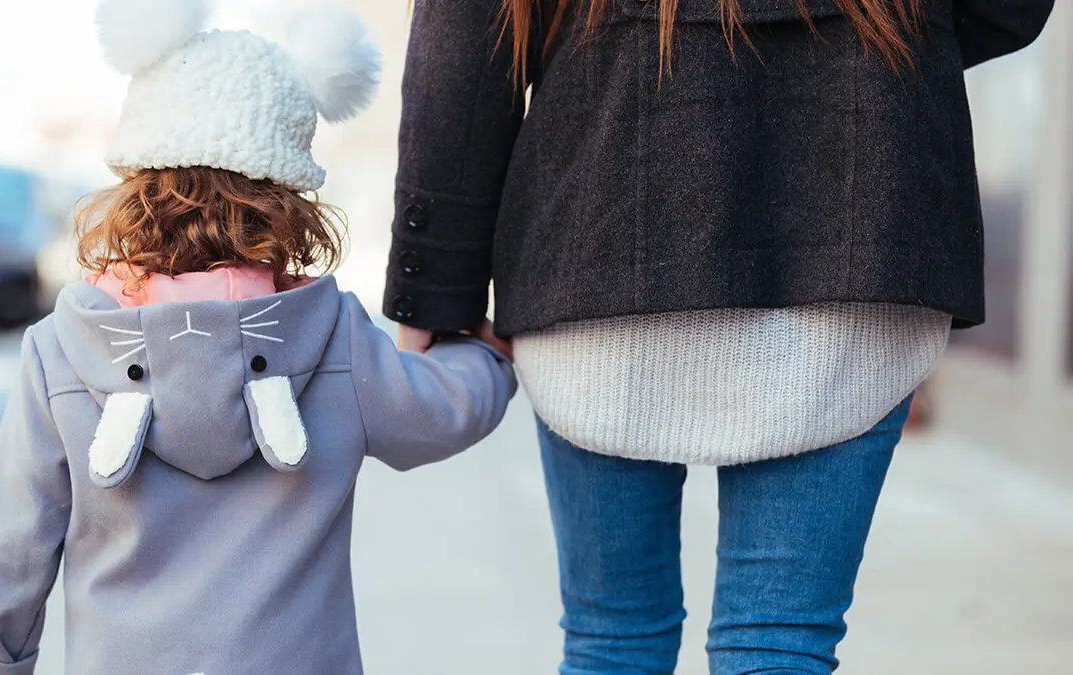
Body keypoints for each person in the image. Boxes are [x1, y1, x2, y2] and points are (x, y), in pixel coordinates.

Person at [386, 0, 1053, 672]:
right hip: (858, 210)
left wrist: (436, 282)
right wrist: (866, 48)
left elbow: (465, 40)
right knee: (779, 641)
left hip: (601, 211)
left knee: (612, 641)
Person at [0, 2, 516, 673]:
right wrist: (489, 356)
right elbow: (442, 410)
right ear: (288, 201)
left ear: (138, 183)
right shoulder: (332, 338)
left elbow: (11, 554)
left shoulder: (62, 351)